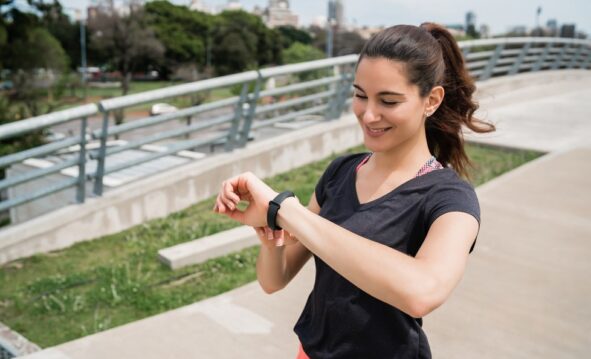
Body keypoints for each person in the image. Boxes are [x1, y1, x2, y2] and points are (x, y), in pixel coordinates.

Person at [213, 22, 496, 359]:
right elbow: (275, 280)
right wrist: (270, 228)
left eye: (388, 101)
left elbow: (424, 290)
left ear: (431, 100)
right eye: (361, 95)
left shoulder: (450, 198)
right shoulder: (341, 172)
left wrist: (285, 210)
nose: (369, 114)